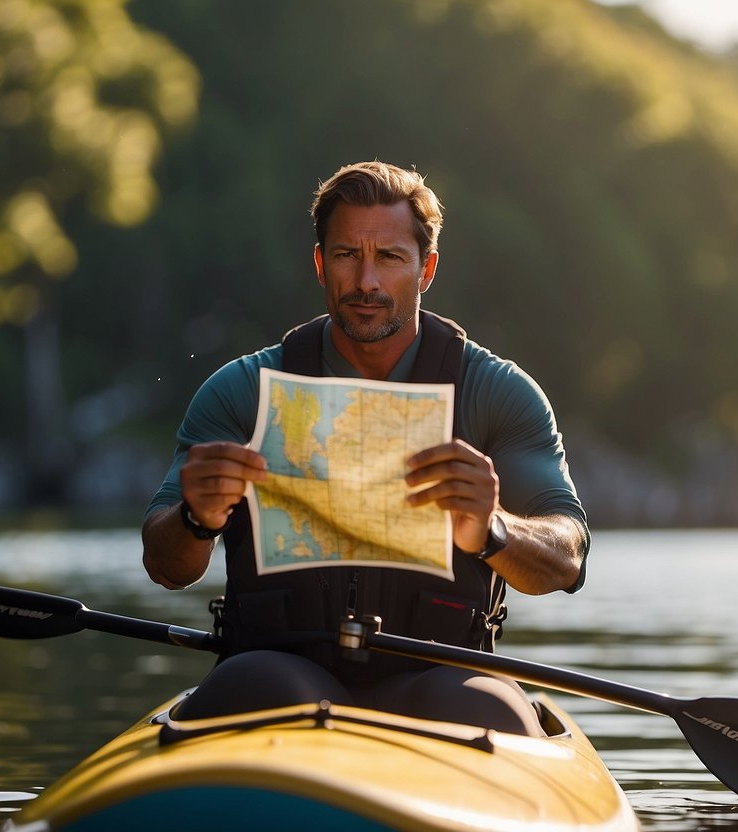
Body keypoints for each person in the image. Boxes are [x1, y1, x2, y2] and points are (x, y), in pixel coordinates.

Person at [141, 161, 589, 735]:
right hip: (279, 675)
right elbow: (164, 564)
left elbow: (567, 556)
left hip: (445, 678)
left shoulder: (496, 393)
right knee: (254, 687)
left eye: (390, 258)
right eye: (348, 255)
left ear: (426, 270)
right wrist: (196, 519)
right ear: (320, 263)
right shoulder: (242, 393)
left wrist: (493, 529)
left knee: (486, 708)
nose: (366, 282)